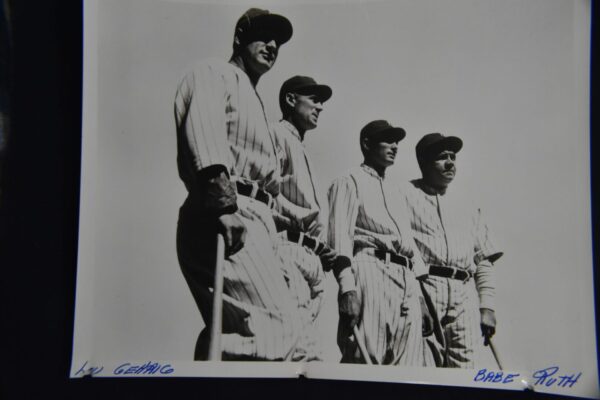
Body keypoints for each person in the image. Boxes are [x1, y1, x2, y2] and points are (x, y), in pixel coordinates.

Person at [173, 8, 305, 361]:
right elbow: (203, 131)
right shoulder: (214, 73)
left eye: (278, 40)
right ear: (239, 38)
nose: (273, 44)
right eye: (264, 35)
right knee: (271, 328)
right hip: (227, 209)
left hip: (257, 216)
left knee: (267, 332)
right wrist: (223, 206)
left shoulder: (255, 99)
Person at [327, 120, 433, 365]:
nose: (394, 146)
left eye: (397, 141)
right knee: (367, 358)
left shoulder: (396, 191)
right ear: (367, 144)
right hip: (370, 266)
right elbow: (339, 239)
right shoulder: (348, 179)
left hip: (405, 275)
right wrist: (347, 289)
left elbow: (409, 246)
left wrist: (420, 298)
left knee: (411, 365)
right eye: (387, 140)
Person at [403, 132, 503, 368]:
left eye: (453, 157)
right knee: (422, 371)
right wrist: (415, 297)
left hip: (463, 293)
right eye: (441, 157)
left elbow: (484, 260)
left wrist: (486, 306)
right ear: (424, 163)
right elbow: (402, 253)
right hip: (426, 288)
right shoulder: (403, 194)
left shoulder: (468, 203)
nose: (450, 163)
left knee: (466, 375)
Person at [271, 75, 338, 360]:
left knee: (307, 344)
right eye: (314, 99)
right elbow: (264, 193)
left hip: (310, 255)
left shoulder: (299, 144)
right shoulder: (275, 133)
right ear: (290, 100)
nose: (320, 107)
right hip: (286, 247)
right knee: (299, 351)